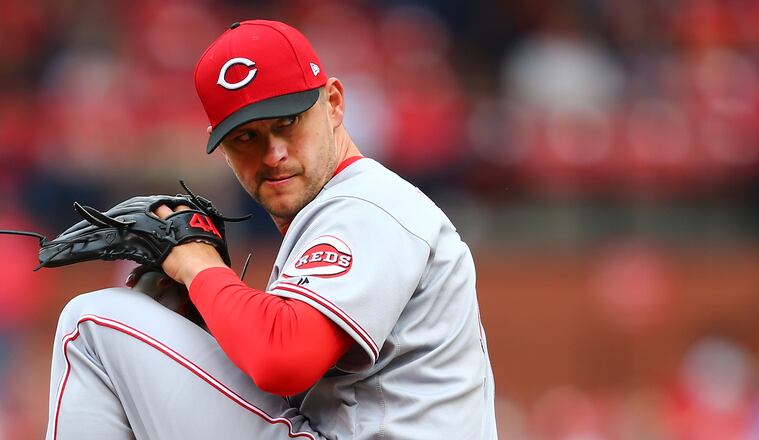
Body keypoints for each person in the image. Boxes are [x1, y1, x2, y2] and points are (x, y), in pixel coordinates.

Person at [45, 19, 497, 439]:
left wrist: (198, 266)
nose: (273, 153)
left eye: (287, 123)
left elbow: (283, 358)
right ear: (222, 149)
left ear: (333, 104)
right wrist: (213, 318)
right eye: (247, 137)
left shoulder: (365, 204)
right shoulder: (340, 210)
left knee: (89, 323)